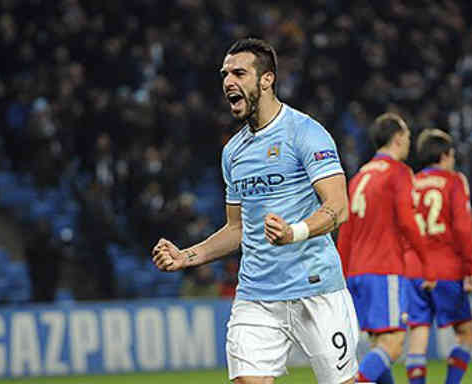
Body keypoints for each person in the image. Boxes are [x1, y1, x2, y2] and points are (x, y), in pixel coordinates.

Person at [152, 38, 359, 384]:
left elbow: (339, 208)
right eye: (224, 74)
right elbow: (236, 229)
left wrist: (295, 232)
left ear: (267, 79)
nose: (227, 81)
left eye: (239, 73)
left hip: (316, 288)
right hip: (256, 295)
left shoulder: (306, 133)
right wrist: (186, 257)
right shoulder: (233, 152)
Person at [337, 113, 435, 384]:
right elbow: (407, 221)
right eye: (407, 137)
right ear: (398, 138)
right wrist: (427, 263)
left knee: (381, 341)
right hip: (384, 269)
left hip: (357, 272)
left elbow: (345, 231)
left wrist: (342, 275)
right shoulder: (398, 172)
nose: (409, 143)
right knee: (392, 345)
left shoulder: (360, 177)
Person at [404, 129, 472, 384]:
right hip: (445, 268)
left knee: (418, 336)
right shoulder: (454, 180)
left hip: (413, 269)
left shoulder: (411, 183)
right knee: (465, 333)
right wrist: (470, 269)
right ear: (445, 155)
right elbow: (462, 227)